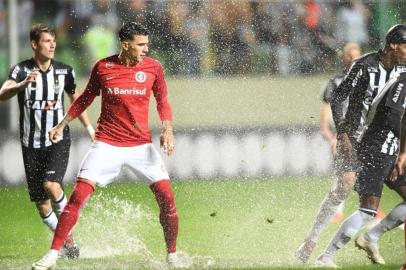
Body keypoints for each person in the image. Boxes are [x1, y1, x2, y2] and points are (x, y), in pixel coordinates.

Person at [32, 22, 192, 270]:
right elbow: (84, 99)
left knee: (167, 196)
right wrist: (62, 124)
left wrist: (168, 129)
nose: (146, 49)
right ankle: (53, 254)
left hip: (140, 146)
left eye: (147, 44)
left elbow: (163, 101)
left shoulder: (153, 68)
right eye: (141, 44)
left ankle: (171, 255)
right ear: (125, 45)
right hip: (106, 143)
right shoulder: (103, 67)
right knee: (78, 197)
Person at [0, 23, 94, 259]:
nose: (52, 45)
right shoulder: (20, 70)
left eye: (53, 40)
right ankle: (69, 244)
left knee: (51, 185)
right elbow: (2, 94)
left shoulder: (65, 71)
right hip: (30, 144)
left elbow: (77, 101)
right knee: (42, 205)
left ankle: (65, 236)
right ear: (34, 44)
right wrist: (22, 86)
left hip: (57, 139)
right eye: (46, 41)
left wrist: (90, 129)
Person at [315, 24, 406, 268]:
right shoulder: (365, 66)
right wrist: (343, 132)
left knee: (369, 207)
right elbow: (338, 96)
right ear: (394, 45)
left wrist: (402, 151)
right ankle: (322, 251)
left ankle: (370, 236)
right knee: (361, 203)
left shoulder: (401, 70)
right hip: (368, 142)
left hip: (390, 145)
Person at [295, 43, 362, 263]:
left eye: (356, 56)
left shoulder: (369, 80)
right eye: (349, 56)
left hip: (370, 141)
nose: (352, 60)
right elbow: (327, 108)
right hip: (346, 140)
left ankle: (373, 226)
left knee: (368, 196)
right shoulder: (336, 83)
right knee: (343, 187)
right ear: (343, 58)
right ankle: (311, 240)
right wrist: (329, 133)